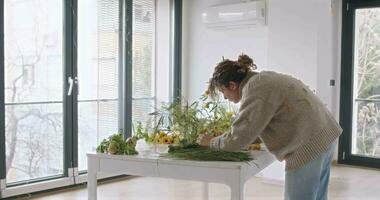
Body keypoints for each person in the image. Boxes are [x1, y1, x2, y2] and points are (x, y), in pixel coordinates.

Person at [198, 54, 342, 200]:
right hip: (324, 135)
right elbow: (254, 128)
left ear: (232, 85)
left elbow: (238, 138)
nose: (224, 97)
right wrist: (229, 136)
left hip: (308, 145)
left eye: (223, 91)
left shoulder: (255, 89)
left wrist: (211, 143)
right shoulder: (262, 79)